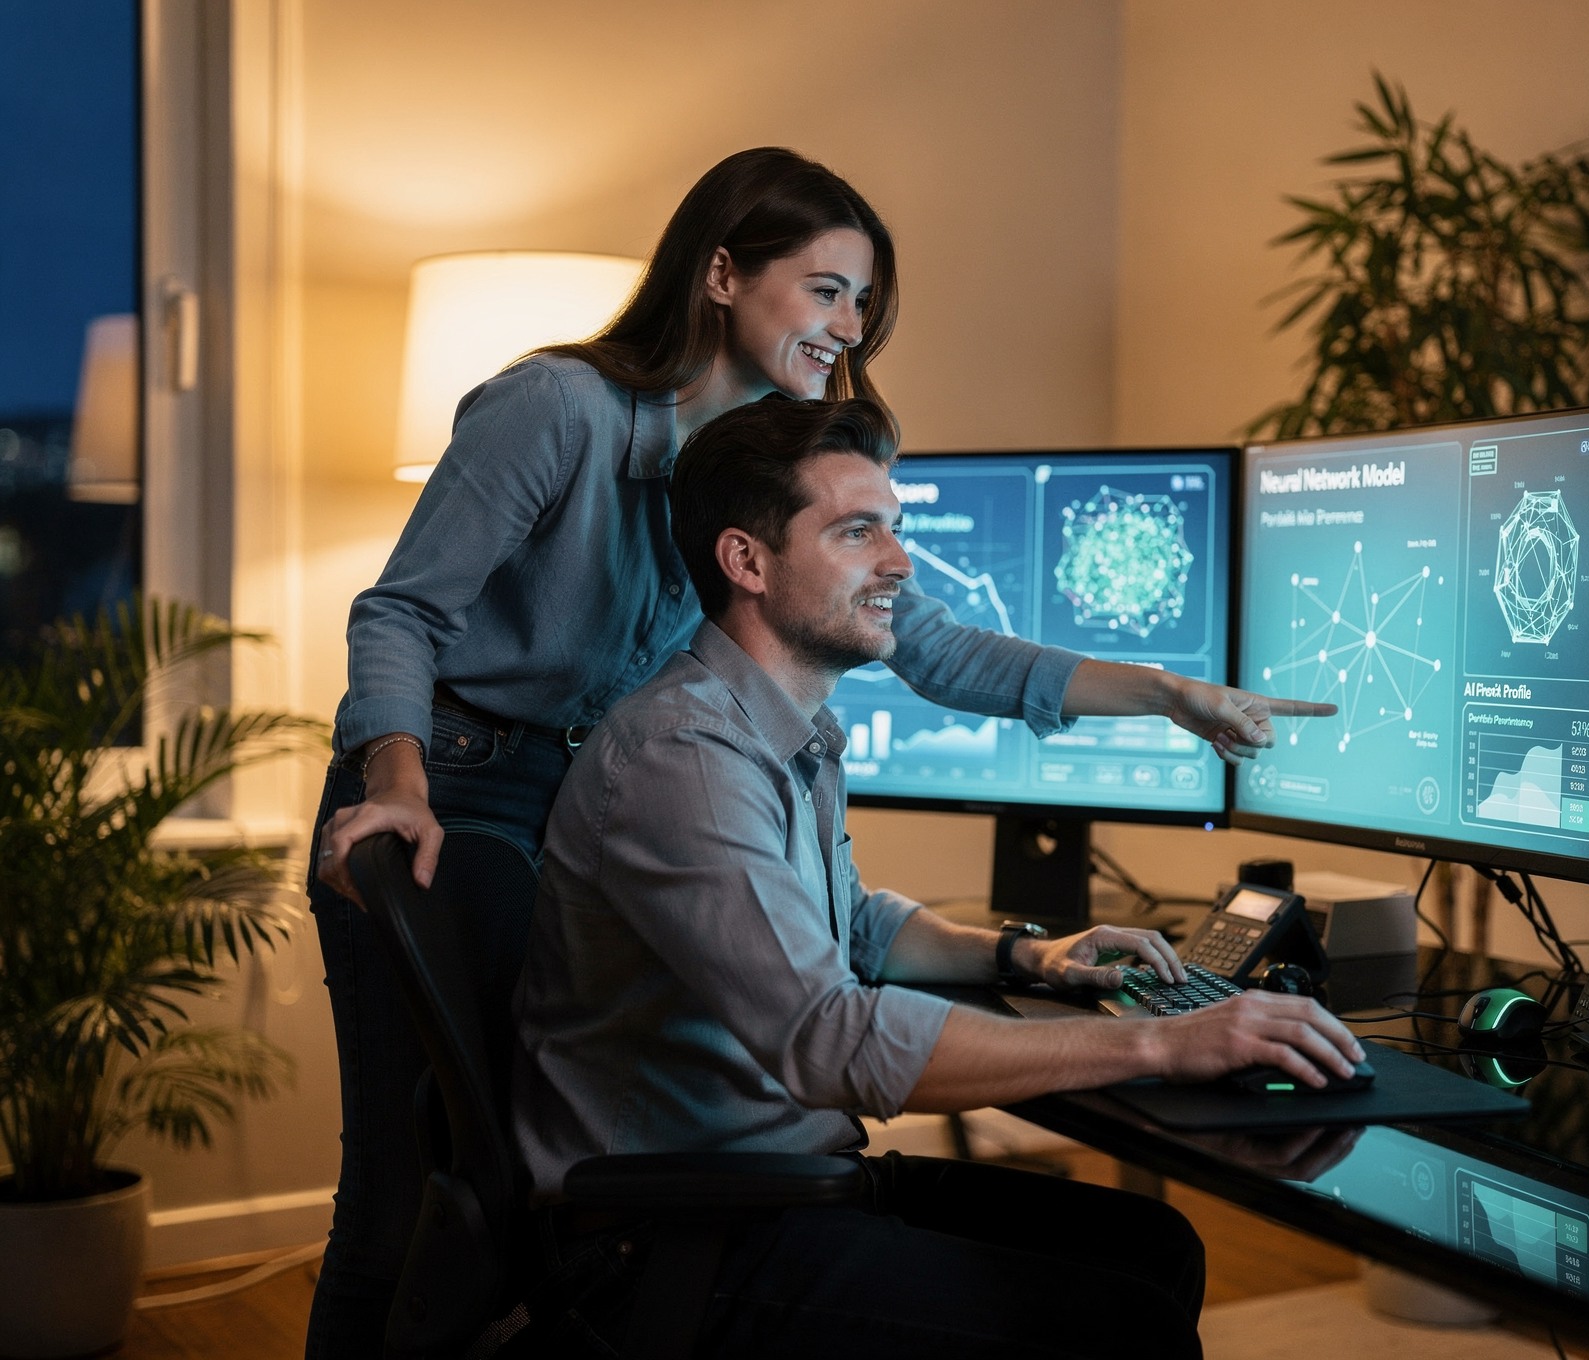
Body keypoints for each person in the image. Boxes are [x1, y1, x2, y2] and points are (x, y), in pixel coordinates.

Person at [305, 147, 1333, 1355]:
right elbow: (400, 615)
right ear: (723, 273)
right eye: (828, 290)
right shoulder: (560, 412)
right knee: (413, 1190)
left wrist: (1165, 694)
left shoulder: (756, 507)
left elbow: (934, 648)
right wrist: (398, 781)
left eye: (862, 304)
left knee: (532, 1129)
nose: (847, 327)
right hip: (456, 775)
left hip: (589, 778)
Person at [513, 396, 1365, 1358]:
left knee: (1150, 1247)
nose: (901, 565)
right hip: (675, 1234)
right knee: (1122, 1327)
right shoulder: (687, 758)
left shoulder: (778, 726)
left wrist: (1029, 956)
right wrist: (1166, 1047)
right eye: (857, 532)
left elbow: (853, 927)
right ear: (746, 561)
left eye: (897, 529)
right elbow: (829, 1041)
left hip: (778, 1181)